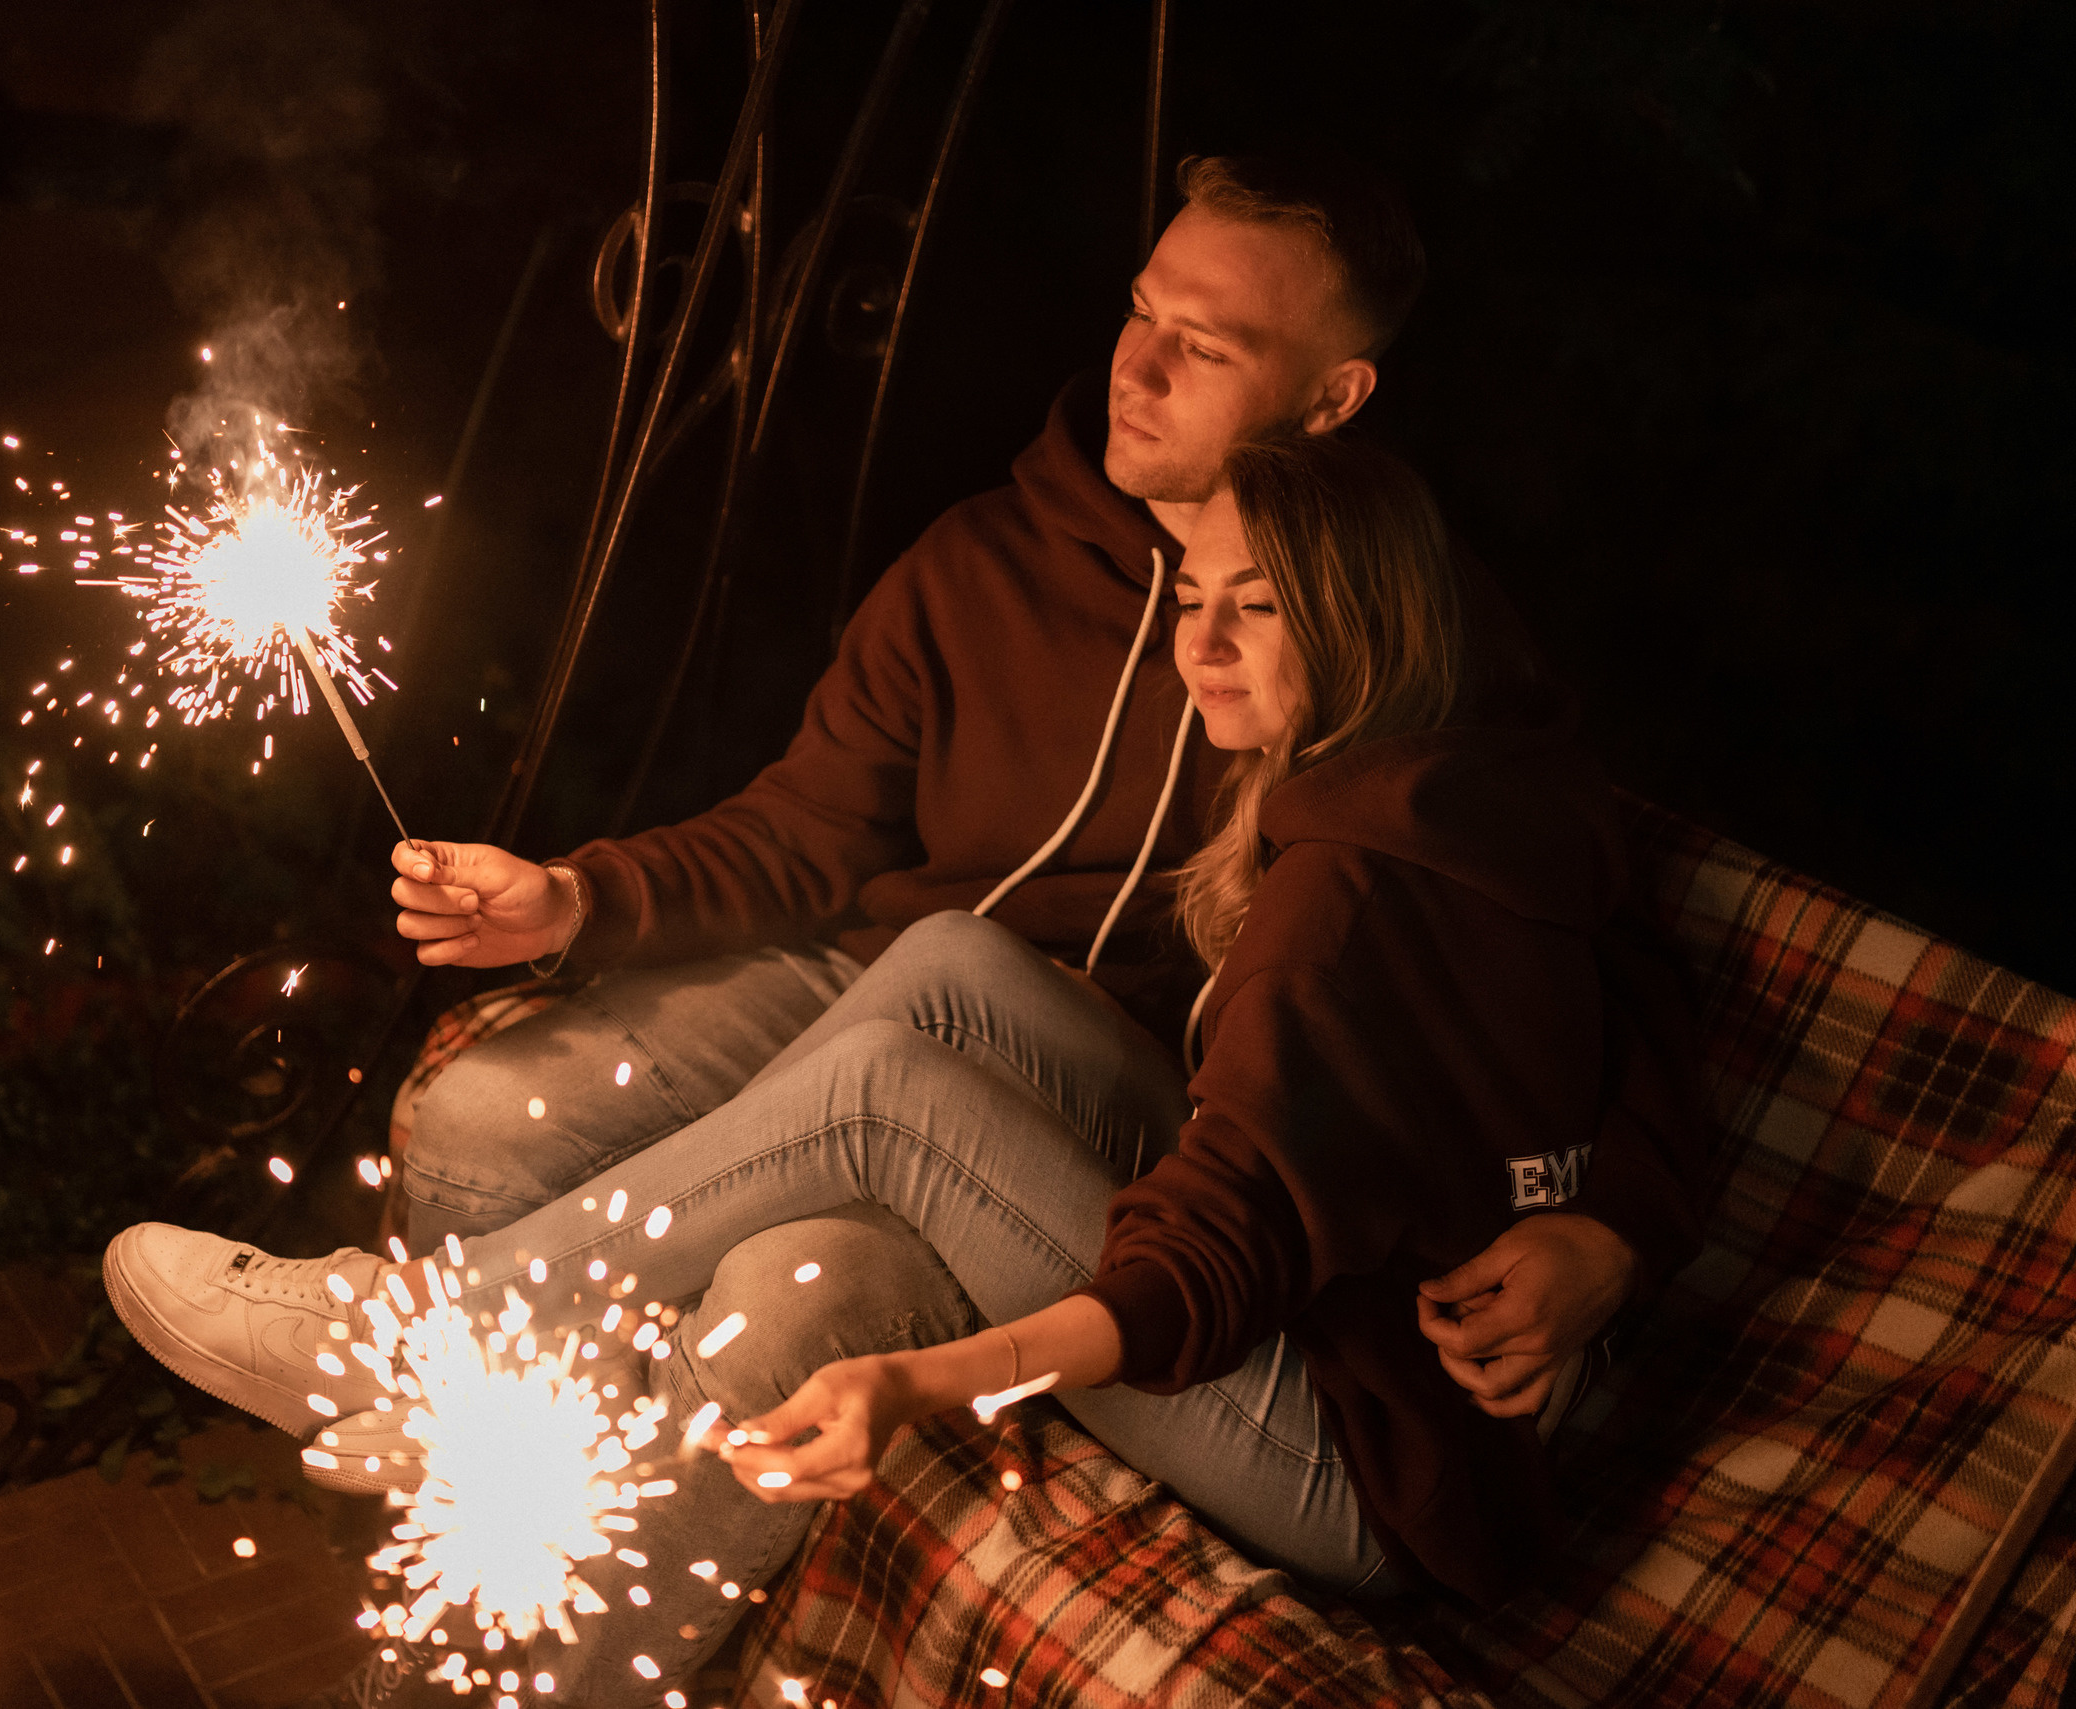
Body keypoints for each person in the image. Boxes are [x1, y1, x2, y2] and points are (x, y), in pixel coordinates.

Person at [105, 434, 1707, 1706]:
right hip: (1384, 1304)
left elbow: (1212, 1262)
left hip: (1383, 1460)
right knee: (935, 989)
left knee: (880, 1118)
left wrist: (921, 1380)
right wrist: (1600, 1219)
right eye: (1192, 598)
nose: (1197, 648)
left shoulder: (1340, 893)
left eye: (1255, 608)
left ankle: (411, 1342)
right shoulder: (1483, 769)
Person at [378, 152, 1634, 1428]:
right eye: (1141, 311)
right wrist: (575, 898)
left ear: (1330, 398)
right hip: (873, 986)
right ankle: (439, 1448)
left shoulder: (1391, 638)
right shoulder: (982, 559)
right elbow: (805, 827)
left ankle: (545, 1532)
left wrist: (1614, 1227)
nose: (1131, 371)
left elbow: (1591, 934)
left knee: (788, 1294)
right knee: (482, 1120)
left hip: (1088, 1107)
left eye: (1200, 348)